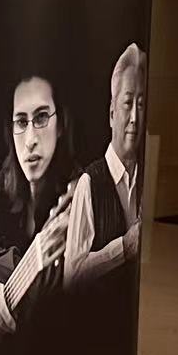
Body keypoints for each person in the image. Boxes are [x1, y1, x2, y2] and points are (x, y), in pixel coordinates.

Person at [0, 71, 79, 337]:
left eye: (42, 117)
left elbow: (50, 304)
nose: (31, 139)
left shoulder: (79, 194)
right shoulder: (5, 180)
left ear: (61, 125)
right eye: (21, 122)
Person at [65, 45, 145, 289]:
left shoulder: (149, 180)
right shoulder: (89, 183)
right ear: (111, 114)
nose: (134, 118)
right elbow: (71, 277)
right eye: (128, 103)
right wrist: (124, 247)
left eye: (141, 105)